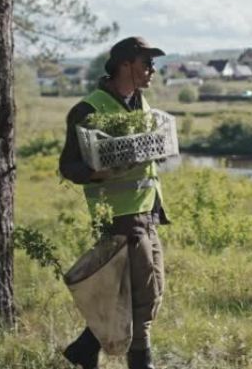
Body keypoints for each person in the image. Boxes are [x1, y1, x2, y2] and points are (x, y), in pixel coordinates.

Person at [59, 36, 169, 369]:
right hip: (120, 215)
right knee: (142, 296)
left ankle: (82, 350)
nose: (152, 70)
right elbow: (68, 166)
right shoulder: (88, 110)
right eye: (146, 63)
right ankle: (141, 362)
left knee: (145, 288)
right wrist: (96, 173)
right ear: (125, 64)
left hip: (147, 211)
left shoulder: (141, 103)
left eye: (153, 64)